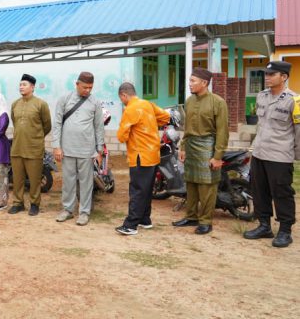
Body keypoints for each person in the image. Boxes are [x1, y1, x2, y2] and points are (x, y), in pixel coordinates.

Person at [243, 61, 300, 248]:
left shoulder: (294, 100)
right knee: (259, 191)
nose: (267, 77)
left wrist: (297, 155)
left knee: (282, 193)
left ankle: (285, 230)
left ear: (284, 77)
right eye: (266, 74)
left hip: (280, 155)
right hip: (259, 152)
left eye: (272, 74)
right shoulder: (261, 96)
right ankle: (264, 225)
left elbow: (298, 131)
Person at [172, 68, 229, 235]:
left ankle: (205, 221)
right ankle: (191, 216)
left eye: (192, 81)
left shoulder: (218, 102)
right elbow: (187, 128)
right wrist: (182, 147)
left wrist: (217, 156)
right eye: (189, 81)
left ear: (204, 83)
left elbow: (222, 132)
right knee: (190, 184)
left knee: (207, 187)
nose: (189, 84)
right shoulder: (189, 101)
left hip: (208, 147)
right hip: (191, 146)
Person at [114, 82, 170, 235]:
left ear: (124, 95)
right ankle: (145, 220)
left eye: (121, 98)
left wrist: (131, 132)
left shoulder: (130, 109)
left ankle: (131, 225)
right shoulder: (148, 104)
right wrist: (150, 123)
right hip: (153, 154)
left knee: (137, 190)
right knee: (146, 189)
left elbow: (121, 136)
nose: (122, 101)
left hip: (139, 155)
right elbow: (165, 117)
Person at [52, 71, 104, 226]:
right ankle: (67, 210)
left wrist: (99, 151)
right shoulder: (65, 99)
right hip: (67, 149)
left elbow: (98, 127)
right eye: (84, 87)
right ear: (77, 84)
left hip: (87, 151)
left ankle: (84, 212)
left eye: (90, 88)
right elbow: (57, 124)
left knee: (86, 182)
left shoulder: (95, 102)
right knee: (68, 181)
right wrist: (56, 146)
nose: (87, 90)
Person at [8, 74, 52, 216]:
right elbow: (14, 122)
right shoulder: (15, 104)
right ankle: (18, 203)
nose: (21, 87)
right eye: (20, 84)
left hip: (34, 148)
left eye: (24, 84)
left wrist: (36, 137)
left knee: (34, 179)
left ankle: (34, 204)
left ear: (32, 87)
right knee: (17, 178)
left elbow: (47, 125)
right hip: (17, 147)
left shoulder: (41, 104)